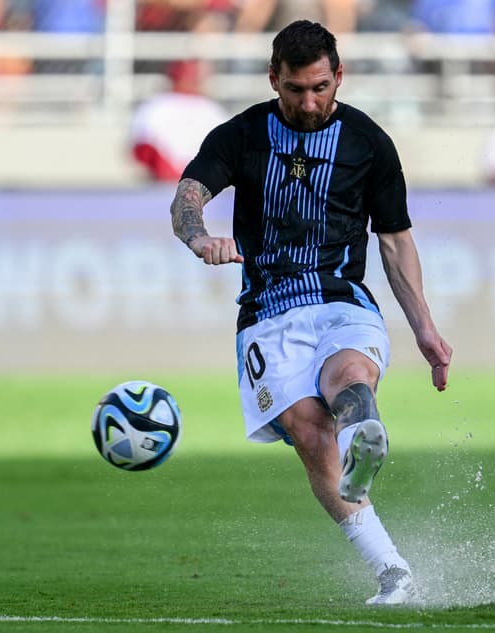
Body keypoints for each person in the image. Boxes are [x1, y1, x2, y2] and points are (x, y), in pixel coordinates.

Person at [168, 20, 452, 605]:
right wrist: (200, 239)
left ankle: (363, 435)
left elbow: (395, 241)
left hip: (341, 299)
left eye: (320, 87)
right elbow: (187, 195)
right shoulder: (243, 135)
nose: (309, 102)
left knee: (349, 376)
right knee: (307, 428)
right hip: (266, 314)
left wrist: (424, 326)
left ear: (338, 76)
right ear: (274, 79)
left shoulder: (367, 143)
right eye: (295, 89)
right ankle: (393, 569)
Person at [130, 59, 231, 182]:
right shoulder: (155, 107)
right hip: (164, 187)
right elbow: (143, 151)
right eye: (189, 74)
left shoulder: (212, 109)